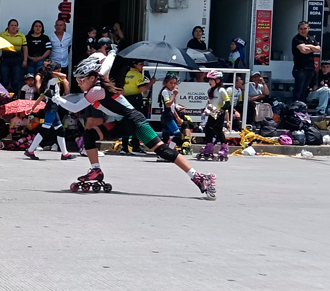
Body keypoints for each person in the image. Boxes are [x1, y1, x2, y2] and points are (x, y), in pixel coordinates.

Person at [53, 53, 217, 198]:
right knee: (89, 134)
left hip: (134, 121)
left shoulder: (96, 90)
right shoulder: (97, 83)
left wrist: (56, 98)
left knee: (163, 151)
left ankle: (198, 177)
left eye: (80, 80)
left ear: (90, 78)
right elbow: (106, 63)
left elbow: (75, 108)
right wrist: (111, 52)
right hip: (125, 122)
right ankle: (96, 170)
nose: (78, 83)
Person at [198, 71, 231, 160]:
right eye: (209, 80)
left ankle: (224, 148)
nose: (210, 82)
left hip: (220, 113)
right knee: (208, 128)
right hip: (212, 113)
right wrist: (205, 109)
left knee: (217, 129)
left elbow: (228, 102)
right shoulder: (210, 91)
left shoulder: (221, 90)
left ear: (218, 80)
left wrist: (221, 110)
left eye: (212, 80)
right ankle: (209, 147)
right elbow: (210, 102)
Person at [291, 21, 320, 103]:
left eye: (305, 28)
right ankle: (295, 107)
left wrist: (309, 46)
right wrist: (312, 48)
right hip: (300, 68)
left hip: (310, 68)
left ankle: (302, 108)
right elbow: (303, 50)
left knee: (305, 90)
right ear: (298, 29)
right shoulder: (296, 39)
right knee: (298, 90)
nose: (303, 30)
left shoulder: (312, 38)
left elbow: (319, 49)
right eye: (301, 29)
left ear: (308, 29)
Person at [0, 19, 26, 95]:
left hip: (17, 60)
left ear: (17, 27)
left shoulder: (21, 35)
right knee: (4, 80)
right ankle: (4, 97)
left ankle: (15, 97)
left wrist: (25, 60)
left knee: (16, 81)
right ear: (8, 26)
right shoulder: (3, 35)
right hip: (5, 59)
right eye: (12, 25)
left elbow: (25, 48)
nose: (13, 27)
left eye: (15, 25)